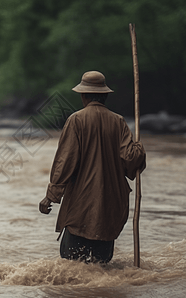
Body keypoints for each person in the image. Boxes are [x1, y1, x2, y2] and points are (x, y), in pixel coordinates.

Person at [39, 71, 146, 264]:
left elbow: (65, 162)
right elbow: (131, 161)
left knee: (71, 269)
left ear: (84, 95)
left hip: (81, 206)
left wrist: (51, 196)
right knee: (101, 268)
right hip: (109, 207)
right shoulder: (119, 122)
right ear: (105, 96)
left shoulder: (76, 120)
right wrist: (139, 150)